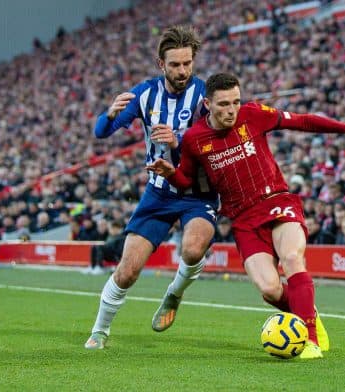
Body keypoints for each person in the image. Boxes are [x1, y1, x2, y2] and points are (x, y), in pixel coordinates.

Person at [147, 72, 345, 359]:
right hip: (243, 219)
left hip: (276, 201)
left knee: (293, 258)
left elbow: (300, 120)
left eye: (235, 102)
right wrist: (171, 173)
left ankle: (310, 340)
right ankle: (307, 311)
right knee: (270, 289)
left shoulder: (254, 114)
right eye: (223, 104)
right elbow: (186, 180)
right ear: (207, 104)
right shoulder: (195, 139)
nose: (231, 110)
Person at [84, 26, 218, 350]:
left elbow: (219, 140)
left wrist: (180, 140)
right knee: (128, 270)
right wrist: (110, 113)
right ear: (162, 64)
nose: (183, 70)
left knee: (193, 248)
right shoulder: (145, 94)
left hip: (197, 192)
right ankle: (100, 331)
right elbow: (102, 132)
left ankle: (174, 293)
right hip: (158, 193)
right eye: (175, 65)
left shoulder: (205, 96)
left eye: (187, 63)